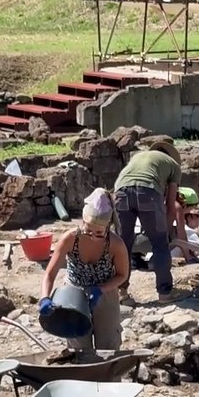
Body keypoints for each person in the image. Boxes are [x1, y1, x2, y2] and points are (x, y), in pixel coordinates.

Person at [38, 188, 130, 353]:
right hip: (74, 292)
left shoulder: (115, 244)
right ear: (82, 222)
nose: (93, 236)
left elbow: (123, 275)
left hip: (104, 292)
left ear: (108, 226)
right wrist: (44, 298)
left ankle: (107, 376)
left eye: (99, 233)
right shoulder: (70, 239)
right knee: (78, 347)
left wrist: (101, 290)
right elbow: (50, 274)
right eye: (88, 230)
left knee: (108, 344)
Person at [112, 139, 183, 302]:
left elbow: (129, 183)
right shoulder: (174, 166)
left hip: (120, 193)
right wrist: (167, 231)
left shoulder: (138, 157)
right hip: (148, 194)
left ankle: (121, 293)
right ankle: (164, 294)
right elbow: (171, 206)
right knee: (160, 244)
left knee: (122, 246)